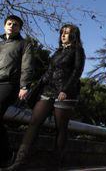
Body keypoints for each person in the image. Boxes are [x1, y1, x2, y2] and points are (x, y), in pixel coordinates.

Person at [6, 24, 85, 171]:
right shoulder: (58, 52)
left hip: (65, 93)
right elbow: (48, 73)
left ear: (73, 36)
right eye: (62, 32)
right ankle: (19, 161)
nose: (63, 35)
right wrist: (33, 89)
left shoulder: (78, 50)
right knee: (34, 122)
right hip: (48, 91)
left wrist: (66, 90)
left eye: (67, 33)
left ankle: (56, 163)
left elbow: (77, 71)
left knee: (60, 128)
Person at [0, 15, 33, 167]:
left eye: (15, 24)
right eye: (9, 23)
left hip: (9, 84)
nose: (11, 26)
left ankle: (7, 154)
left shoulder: (24, 44)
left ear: (19, 28)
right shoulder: (0, 43)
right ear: (4, 25)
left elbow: (27, 66)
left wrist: (24, 85)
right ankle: (5, 154)